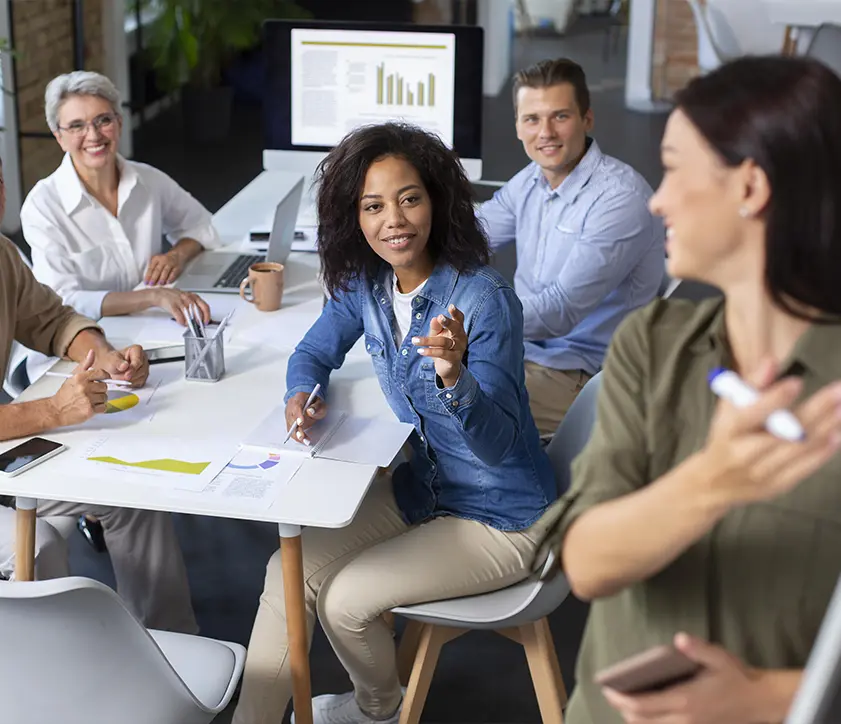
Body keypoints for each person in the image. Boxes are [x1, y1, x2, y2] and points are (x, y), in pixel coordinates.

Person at [534, 56, 841, 724]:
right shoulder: (652, 343)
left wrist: (765, 699)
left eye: (674, 168)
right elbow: (584, 563)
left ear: (750, 186)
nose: (656, 199)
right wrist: (714, 480)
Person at [232, 122, 557, 724]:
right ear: (353, 217)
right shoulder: (367, 283)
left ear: (436, 199)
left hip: (503, 516)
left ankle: (378, 710)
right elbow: (312, 352)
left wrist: (454, 376)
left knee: (345, 601)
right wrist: (302, 392)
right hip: (424, 492)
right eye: (373, 206)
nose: (395, 220)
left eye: (409, 198)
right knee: (288, 569)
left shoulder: (484, 300)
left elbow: (497, 446)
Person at [0, 161, 196, 633]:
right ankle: (60, 672)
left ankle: (165, 647)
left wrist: (103, 355)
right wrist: (51, 410)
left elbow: (55, 321)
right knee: (36, 544)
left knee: (129, 496)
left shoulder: (3, 256)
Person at [477, 58, 665, 437]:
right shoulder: (531, 179)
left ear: (587, 119)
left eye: (559, 116)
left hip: (580, 372)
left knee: (454, 420)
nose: (545, 132)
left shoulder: (619, 199)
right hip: (523, 351)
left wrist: (471, 321)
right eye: (532, 119)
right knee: (413, 382)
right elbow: (473, 234)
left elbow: (558, 312)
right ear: (517, 125)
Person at [20, 70, 219, 382]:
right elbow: (62, 301)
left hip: (149, 334)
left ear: (119, 122)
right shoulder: (42, 206)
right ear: (59, 137)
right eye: (76, 126)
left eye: (103, 120)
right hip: (78, 353)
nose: (94, 135)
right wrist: (154, 297)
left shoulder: (147, 179)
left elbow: (200, 225)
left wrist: (175, 256)